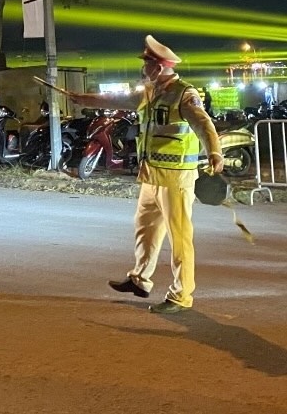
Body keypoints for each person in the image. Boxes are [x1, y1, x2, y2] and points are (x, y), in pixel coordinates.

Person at [65, 35, 223, 314]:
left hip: (176, 178)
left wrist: (215, 152)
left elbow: (204, 124)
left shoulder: (184, 94)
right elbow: (117, 100)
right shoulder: (149, 92)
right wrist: (81, 98)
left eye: (146, 63)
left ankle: (181, 295)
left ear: (159, 67)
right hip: (151, 176)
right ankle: (140, 279)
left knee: (180, 238)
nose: (143, 68)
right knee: (145, 230)